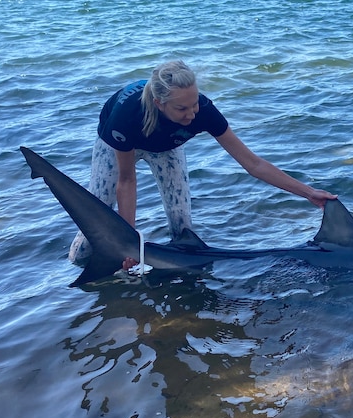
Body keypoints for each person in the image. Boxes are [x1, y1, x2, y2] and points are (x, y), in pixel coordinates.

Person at [69, 60, 337, 266]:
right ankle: (77, 276)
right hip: (119, 144)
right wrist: (128, 244)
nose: (192, 114)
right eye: (182, 109)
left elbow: (252, 164)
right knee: (97, 219)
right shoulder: (126, 117)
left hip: (165, 147)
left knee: (182, 223)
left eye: (194, 104)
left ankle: (181, 285)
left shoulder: (203, 111)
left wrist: (308, 192)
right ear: (159, 103)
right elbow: (126, 181)